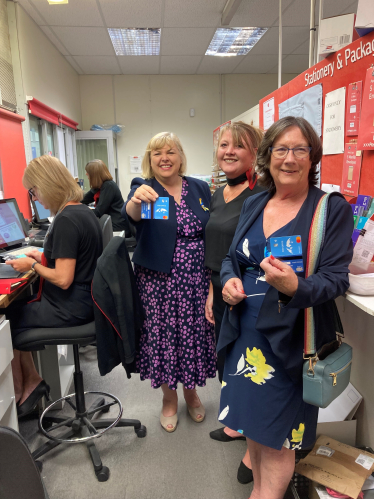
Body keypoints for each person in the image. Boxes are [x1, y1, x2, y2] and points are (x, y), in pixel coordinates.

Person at [217, 116, 353, 499]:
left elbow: (336, 279)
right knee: (256, 433)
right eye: (281, 149)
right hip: (244, 336)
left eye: (299, 149)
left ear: (313, 158)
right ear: (267, 157)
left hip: (291, 342)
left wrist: (296, 287)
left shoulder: (329, 209)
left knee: (279, 441)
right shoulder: (256, 201)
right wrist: (230, 281)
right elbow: (233, 258)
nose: (289, 158)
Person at [122, 131, 216, 433]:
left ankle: (191, 390)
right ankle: (169, 398)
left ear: (180, 157)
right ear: (150, 159)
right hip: (157, 283)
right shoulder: (144, 188)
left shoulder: (200, 188)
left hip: (195, 281)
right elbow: (131, 215)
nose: (165, 158)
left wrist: (213, 283)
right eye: (157, 153)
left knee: (191, 337)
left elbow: (211, 232)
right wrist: (136, 200)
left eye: (171, 151)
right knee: (161, 339)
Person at [4, 155, 103, 418]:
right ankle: (32, 380)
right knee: (15, 312)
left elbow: (62, 278)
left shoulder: (67, 220)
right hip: (85, 300)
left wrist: (32, 266)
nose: (34, 198)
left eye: (34, 191)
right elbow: (72, 261)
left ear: (47, 185)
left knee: (7, 321)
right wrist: (42, 257)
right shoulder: (79, 210)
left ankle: (19, 393)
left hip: (72, 306)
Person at [204, 121, 263, 483]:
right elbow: (215, 247)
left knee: (249, 364)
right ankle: (236, 423)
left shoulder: (261, 195)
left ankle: (254, 448)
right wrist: (211, 290)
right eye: (224, 144)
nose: (229, 151)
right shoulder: (217, 193)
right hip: (216, 286)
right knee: (226, 358)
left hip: (245, 291)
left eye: (238, 146)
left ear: (254, 154)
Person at [82, 159, 129, 233]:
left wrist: (81, 213)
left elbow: (99, 211)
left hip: (116, 227)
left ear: (94, 174)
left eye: (88, 172)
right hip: (109, 224)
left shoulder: (108, 186)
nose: (86, 174)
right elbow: (83, 200)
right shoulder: (98, 187)